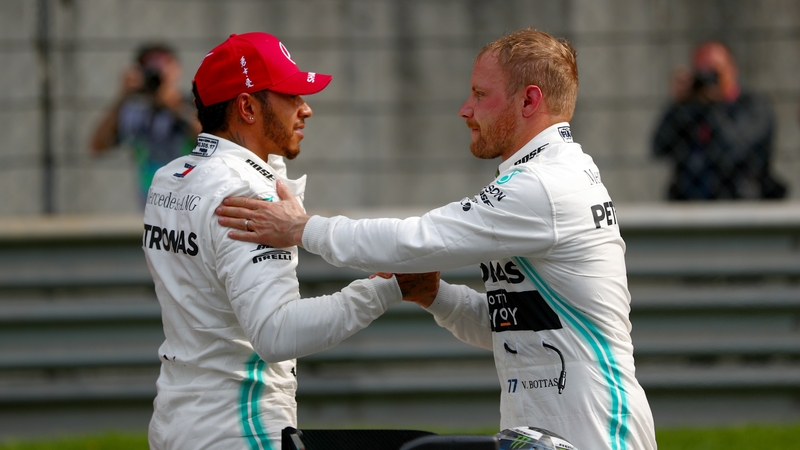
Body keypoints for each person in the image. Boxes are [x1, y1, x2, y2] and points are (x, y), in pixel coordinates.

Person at [215, 29, 657, 450]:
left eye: (480, 95)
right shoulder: (545, 177)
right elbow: (516, 328)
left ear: (529, 100)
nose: (466, 109)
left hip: (596, 429)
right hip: (542, 427)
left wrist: (303, 228)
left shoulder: (543, 186)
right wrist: (435, 296)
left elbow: (418, 240)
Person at [143, 32, 438, 450]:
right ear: (247, 107)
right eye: (291, 95)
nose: (306, 108)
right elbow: (276, 333)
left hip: (174, 420)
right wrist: (388, 287)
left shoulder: (171, 178)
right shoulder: (252, 199)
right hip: (239, 430)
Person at [652, 40, 787, 200]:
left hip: (741, 203)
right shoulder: (690, 109)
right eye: (702, 72)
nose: (708, 79)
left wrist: (712, 106)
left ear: (732, 69)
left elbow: (734, 149)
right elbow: (659, 147)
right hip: (691, 202)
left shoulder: (754, 107)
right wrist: (677, 105)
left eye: (714, 71)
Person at [90, 42, 201, 204]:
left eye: (163, 67)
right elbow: (97, 146)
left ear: (177, 69)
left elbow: (210, 139)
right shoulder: (135, 112)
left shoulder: (193, 105)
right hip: (151, 203)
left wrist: (173, 105)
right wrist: (123, 96)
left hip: (190, 201)